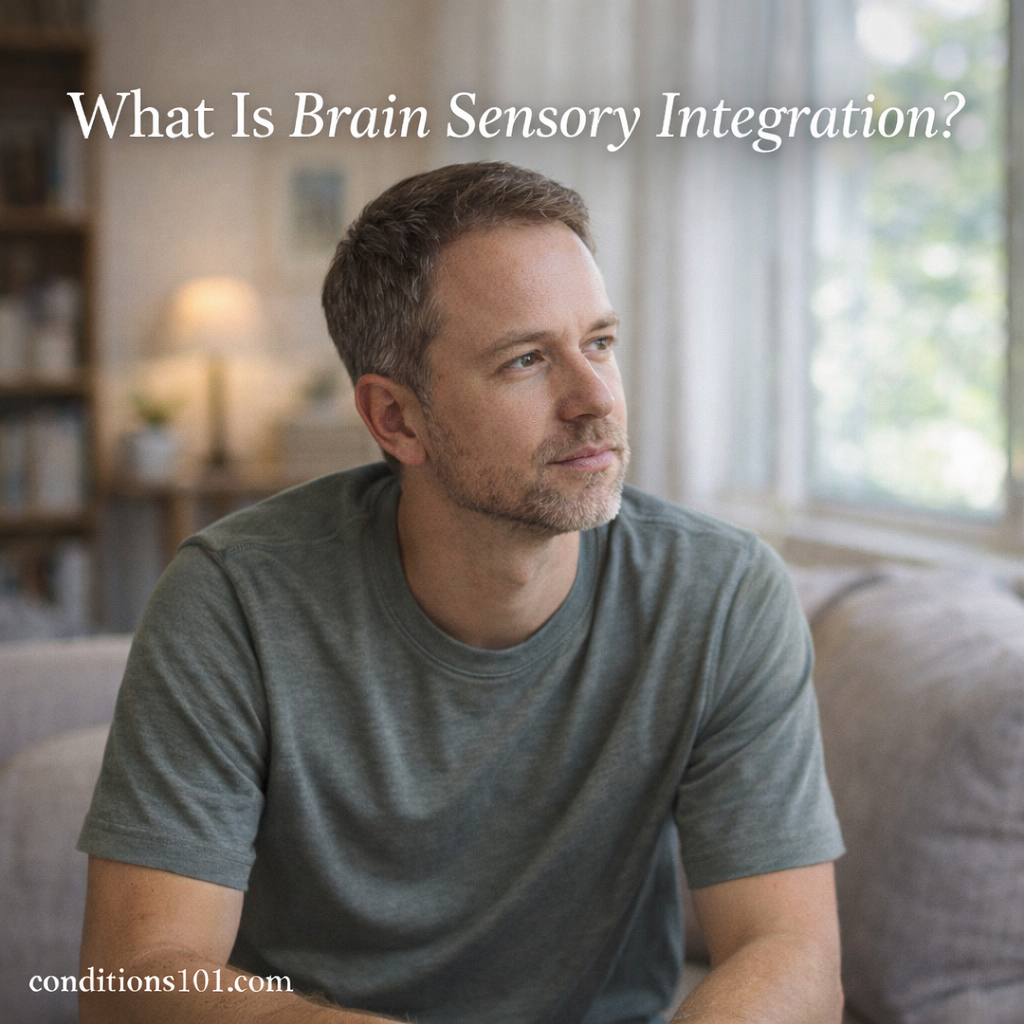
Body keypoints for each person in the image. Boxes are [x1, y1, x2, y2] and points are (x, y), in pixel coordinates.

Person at [78, 161, 845, 1024]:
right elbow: (131, 977)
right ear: (395, 419)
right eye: (526, 360)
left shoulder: (722, 595)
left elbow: (791, 953)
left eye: (599, 342)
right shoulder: (232, 600)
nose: (595, 398)